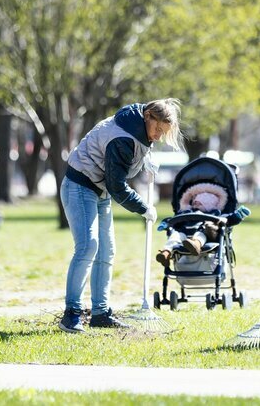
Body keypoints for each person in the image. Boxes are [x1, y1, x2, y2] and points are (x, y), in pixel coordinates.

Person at [58, 98, 183, 334]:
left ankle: (100, 314)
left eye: (162, 133)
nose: (157, 136)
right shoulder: (123, 138)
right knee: (88, 247)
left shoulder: (137, 127)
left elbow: (124, 163)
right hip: (79, 185)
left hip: (99, 187)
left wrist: (145, 158)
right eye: (157, 129)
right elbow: (117, 186)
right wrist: (143, 207)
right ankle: (71, 314)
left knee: (107, 251)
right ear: (148, 116)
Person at [155, 182, 250, 266]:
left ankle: (196, 244)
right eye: (195, 202)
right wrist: (166, 223)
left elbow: (228, 220)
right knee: (174, 236)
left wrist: (238, 215)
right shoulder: (186, 212)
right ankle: (166, 253)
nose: (195, 205)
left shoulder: (214, 214)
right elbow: (174, 219)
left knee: (202, 232)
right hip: (183, 234)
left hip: (202, 233)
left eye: (200, 203)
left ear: (208, 206)